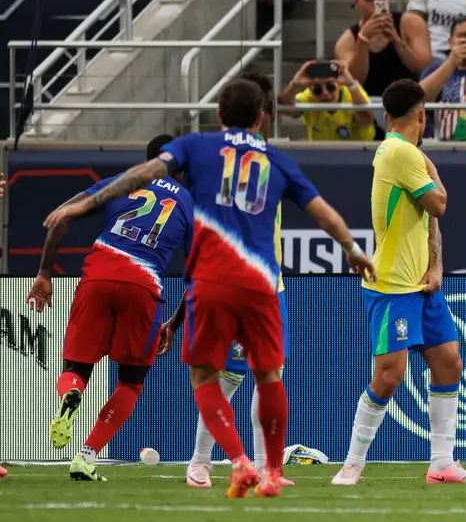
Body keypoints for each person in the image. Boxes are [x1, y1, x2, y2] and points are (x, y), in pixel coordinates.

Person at [44, 78, 376, 498]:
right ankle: (270, 471)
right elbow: (323, 212)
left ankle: (236, 462)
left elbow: (142, 174)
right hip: (261, 282)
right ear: (261, 117)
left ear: (218, 115)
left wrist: (84, 204)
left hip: (211, 280)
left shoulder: (196, 147)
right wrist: (351, 248)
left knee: (205, 377)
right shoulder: (277, 160)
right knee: (269, 376)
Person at [332, 79, 466, 486]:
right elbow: (439, 203)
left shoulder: (403, 153)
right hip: (392, 287)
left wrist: (436, 268)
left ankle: (442, 463)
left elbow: (428, 219)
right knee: (388, 375)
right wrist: (433, 168)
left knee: (449, 361)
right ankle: (352, 463)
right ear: (422, 117)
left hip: (420, 285)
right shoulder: (401, 152)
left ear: (386, 117)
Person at [28, 136, 193, 482]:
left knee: (77, 367)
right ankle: (86, 457)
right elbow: (198, 277)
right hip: (144, 285)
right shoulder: (190, 204)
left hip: (99, 274)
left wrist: (44, 272)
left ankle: (71, 393)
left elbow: (61, 218)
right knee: (131, 382)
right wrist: (174, 324)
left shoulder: (119, 183)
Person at [180, 71, 293, 489]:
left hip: (267, 285)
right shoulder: (221, 167)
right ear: (261, 115)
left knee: (266, 376)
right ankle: (202, 461)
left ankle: (265, 468)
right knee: (225, 377)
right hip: (227, 281)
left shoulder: (273, 162)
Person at [335, 0, 430, 99]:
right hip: (368, 103)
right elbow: (354, 81)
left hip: (408, 100)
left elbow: (424, 69)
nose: (375, 5)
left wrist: (397, 41)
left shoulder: (410, 23)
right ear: (356, 0)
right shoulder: (347, 40)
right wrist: (363, 39)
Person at [278, 60, 375, 141]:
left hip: (358, 154)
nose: (325, 93)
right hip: (320, 155)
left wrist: (351, 85)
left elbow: (366, 120)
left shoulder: (353, 93)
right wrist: (293, 85)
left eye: (330, 86)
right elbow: (286, 109)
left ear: (339, 84)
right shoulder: (309, 97)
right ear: (310, 88)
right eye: (317, 89)